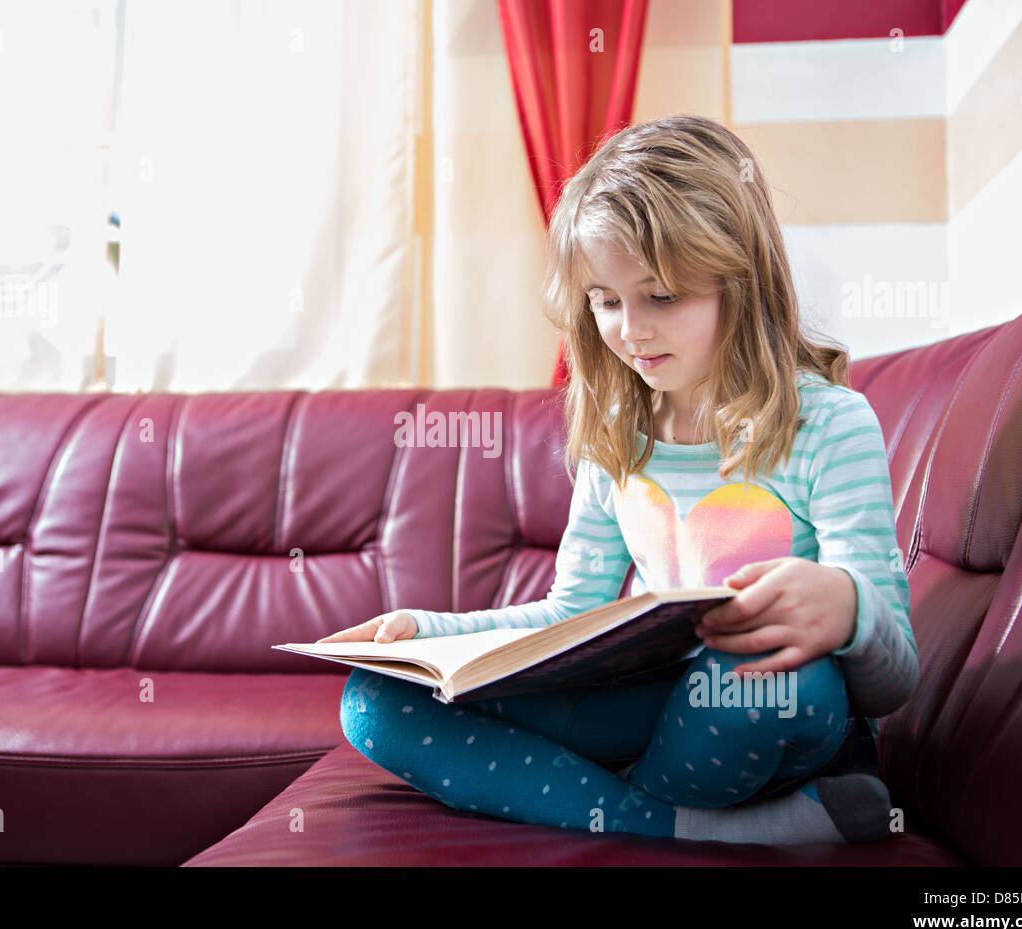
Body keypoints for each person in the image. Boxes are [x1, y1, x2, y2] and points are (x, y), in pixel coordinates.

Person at [321, 114, 918, 845]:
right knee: (375, 702)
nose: (629, 330)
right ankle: (701, 829)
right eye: (604, 300)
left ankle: (624, 808)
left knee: (767, 684)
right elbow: (569, 613)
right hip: (652, 708)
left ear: (742, 280)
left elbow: (897, 684)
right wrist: (424, 633)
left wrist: (849, 605)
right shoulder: (618, 438)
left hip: (774, 708)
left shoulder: (831, 425)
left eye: (660, 296)